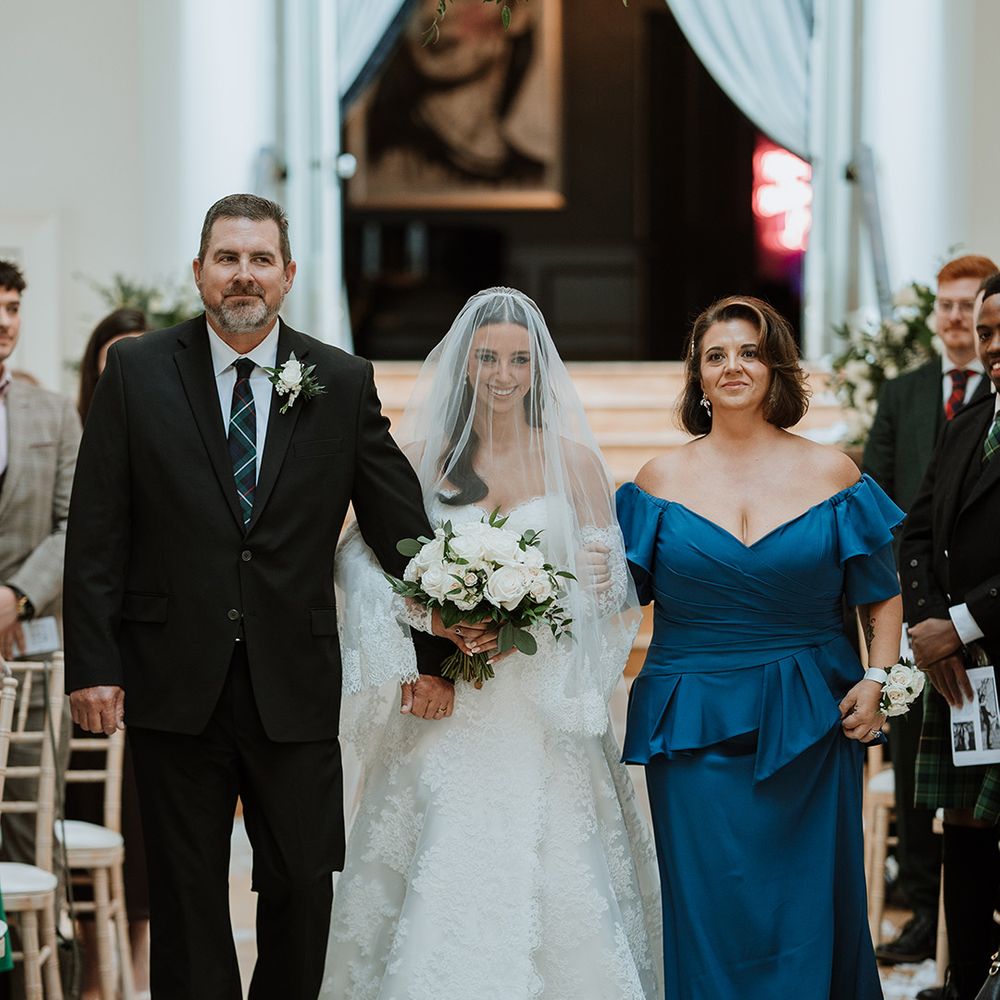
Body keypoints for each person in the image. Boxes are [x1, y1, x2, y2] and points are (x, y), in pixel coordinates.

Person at [63, 194, 454, 1000]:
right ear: (199, 272)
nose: (244, 275)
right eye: (228, 258)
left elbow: (397, 525)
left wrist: (436, 652)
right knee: (186, 896)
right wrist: (91, 664)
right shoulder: (137, 372)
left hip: (296, 679)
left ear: (288, 275)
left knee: (304, 887)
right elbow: (98, 530)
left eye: (261, 260)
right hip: (173, 679)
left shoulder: (339, 380)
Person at [321, 287, 662, 999]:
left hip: (538, 701)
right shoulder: (420, 458)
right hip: (445, 698)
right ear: (463, 366)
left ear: (538, 368)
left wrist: (548, 608)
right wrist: (426, 618)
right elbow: (359, 560)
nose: (502, 374)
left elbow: (608, 587)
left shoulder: (575, 463)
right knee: (443, 850)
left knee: (552, 864)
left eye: (518, 359)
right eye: (487, 358)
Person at [617, 295, 903, 998]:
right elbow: (619, 599)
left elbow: (882, 594)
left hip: (812, 718)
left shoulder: (834, 474)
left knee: (807, 902)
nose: (733, 366)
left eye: (748, 351)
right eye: (715, 355)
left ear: (775, 364)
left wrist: (877, 678)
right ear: (697, 375)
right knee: (706, 905)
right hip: (690, 724)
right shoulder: (658, 481)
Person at [864, 253, 997, 965]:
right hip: (923, 619)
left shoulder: (988, 396)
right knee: (927, 774)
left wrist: (963, 619)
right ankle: (922, 910)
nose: (956, 319)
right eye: (944, 305)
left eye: (968, 306)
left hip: (983, 622)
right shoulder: (908, 394)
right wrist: (920, 617)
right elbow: (885, 506)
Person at [900, 270, 1000, 1000]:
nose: (992, 347)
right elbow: (917, 529)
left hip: (980, 645)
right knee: (962, 829)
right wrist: (928, 623)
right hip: (963, 670)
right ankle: (964, 981)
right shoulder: (969, 418)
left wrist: (959, 623)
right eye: (987, 333)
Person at [68, 306, 150, 998]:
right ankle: (93, 970)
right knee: (81, 810)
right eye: (111, 358)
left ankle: (131, 969)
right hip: (76, 649)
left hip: (145, 652)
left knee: (138, 820)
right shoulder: (74, 431)